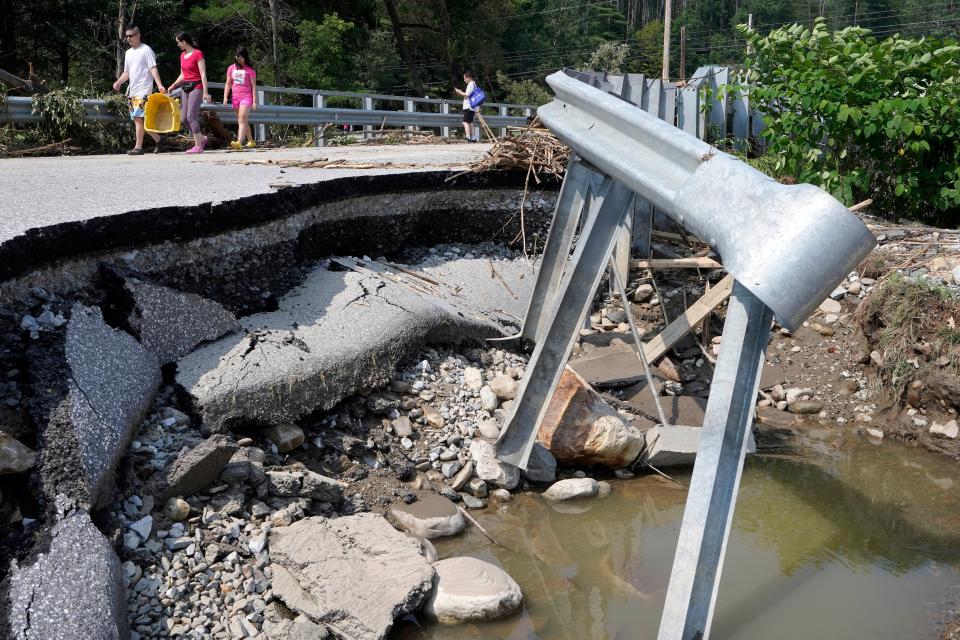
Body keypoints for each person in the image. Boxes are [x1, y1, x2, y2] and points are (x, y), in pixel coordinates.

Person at [112, 24, 165, 155]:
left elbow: (153, 68)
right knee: (140, 120)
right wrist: (118, 82)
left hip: (143, 90)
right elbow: (127, 72)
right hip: (133, 91)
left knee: (137, 118)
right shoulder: (128, 53)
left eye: (131, 36)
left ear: (138, 35)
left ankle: (138, 147)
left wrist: (159, 85)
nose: (128, 38)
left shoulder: (146, 50)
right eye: (126, 36)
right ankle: (159, 139)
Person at [166, 32, 211, 154]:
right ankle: (202, 139)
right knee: (184, 119)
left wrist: (205, 92)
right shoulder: (182, 55)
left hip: (197, 86)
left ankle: (198, 146)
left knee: (191, 116)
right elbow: (183, 75)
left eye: (178, 42)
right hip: (185, 87)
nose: (178, 45)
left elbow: (203, 74)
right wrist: (174, 85)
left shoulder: (197, 54)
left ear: (184, 42)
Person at [222, 46, 258, 150]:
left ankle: (239, 142)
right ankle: (251, 141)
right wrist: (225, 97)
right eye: (238, 57)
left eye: (241, 57)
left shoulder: (250, 70)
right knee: (243, 120)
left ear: (245, 57)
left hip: (246, 98)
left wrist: (255, 101)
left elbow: (254, 86)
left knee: (241, 120)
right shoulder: (231, 68)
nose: (239, 59)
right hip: (235, 98)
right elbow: (228, 83)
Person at [454, 71, 479, 143]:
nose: (464, 80)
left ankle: (468, 137)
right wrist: (461, 92)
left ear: (468, 77)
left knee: (465, 122)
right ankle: (473, 138)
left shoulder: (471, 84)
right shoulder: (474, 84)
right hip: (472, 107)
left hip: (468, 106)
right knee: (470, 122)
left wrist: (459, 92)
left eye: (464, 78)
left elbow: (467, 95)